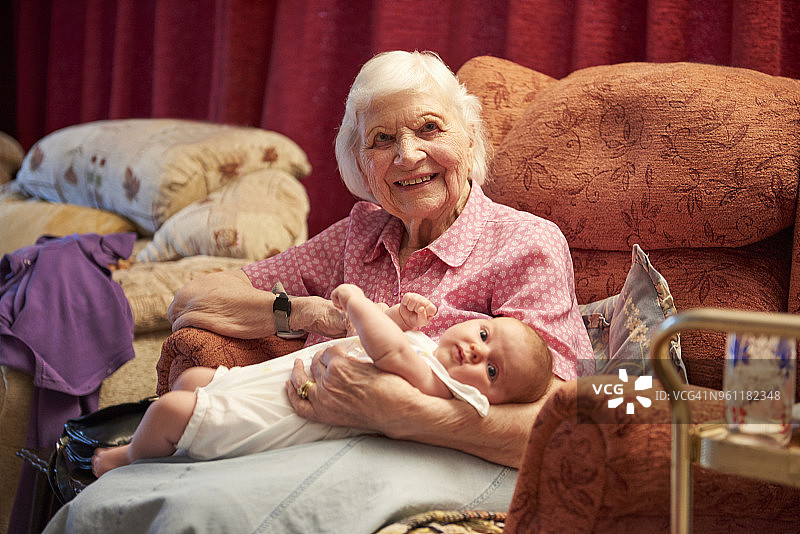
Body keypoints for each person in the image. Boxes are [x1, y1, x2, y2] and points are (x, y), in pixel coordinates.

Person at [43, 50, 593, 533]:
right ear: (361, 164)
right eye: (382, 140)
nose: (406, 155)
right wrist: (308, 311)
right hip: (321, 432)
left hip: (456, 456)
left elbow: (565, 426)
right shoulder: (362, 234)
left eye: (429, 129)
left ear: (468, 139)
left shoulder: (524, 244)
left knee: (208, 513)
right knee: (126, 499)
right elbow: (192, 300)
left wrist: (400, 413)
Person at [91, 285, 553, 477]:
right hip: (277, 380)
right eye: (484, 333)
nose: (476, 350)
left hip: (291, 416)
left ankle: (126, 458)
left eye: (491, 369)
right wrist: (315, 310)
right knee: (192, 377)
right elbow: (194, 299)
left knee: (170, 410)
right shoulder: (435, 350)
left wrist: (355, 303)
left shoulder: (449, 386)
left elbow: (580, 406)